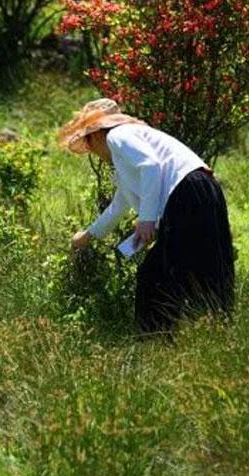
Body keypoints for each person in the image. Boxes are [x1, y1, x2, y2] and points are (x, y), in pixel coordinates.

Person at [58, 98, 235, 336]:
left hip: (189, 192)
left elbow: (151, 167)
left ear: (97, 135)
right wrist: (88, 236)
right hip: (201, 190)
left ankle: (155, 341)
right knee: (206, 266)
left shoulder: (118, 136)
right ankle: (217, 331)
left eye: (88, 142)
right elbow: (118, 206)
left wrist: (147, 220)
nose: (92, 151)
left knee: (156, 276)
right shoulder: (126, 152)